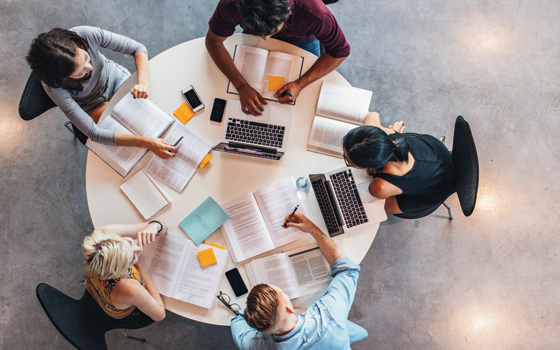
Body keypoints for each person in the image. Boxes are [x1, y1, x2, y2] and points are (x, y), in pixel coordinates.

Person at [25, 26, 176, 159]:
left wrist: (142, 83)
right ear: (62, 79)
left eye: (86, 57)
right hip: (90, 105)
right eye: (80, 73)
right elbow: (94, 133)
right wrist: (146, 143)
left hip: (116, 79)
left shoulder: (85, 34)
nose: (89, 68)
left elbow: (138, 49)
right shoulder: (54, 87)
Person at [230, 213, 368, 349]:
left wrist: (246, 315)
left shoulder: (256, 346)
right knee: (355, 331)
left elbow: (238, 326)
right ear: (289, 308)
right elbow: (348, 270)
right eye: (282, 293)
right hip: (335, 337)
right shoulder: (329, 316)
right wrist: (313, 229)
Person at [206, 0, 351, 115]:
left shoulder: (315, 12)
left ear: (288, 10)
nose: (265, 39)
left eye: (271, 31)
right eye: (261, 33)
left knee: (306, 102)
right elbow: (213, 43)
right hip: (253, 38)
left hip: (303, 40)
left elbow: (340, 51)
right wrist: (241, 85)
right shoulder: (231, 4)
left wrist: (300, 83)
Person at [342, 112, 456, 214]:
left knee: (374, 210)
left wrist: (375, 173)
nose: (343, 156)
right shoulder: (387, 134)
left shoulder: (378, 187)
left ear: (367, 166)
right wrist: (393, 132)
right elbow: (372, 115)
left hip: (439, 189)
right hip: (437, 152)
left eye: (348, 162)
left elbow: (378, 191)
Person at [82, 220, 167, 321]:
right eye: (132, 258)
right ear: (121, 271)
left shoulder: (103, 235)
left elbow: (162, 226)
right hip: (119, 309)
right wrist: (140, 264)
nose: (139, 249)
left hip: (93, 285)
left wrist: (154, 226)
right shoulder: (131, 288)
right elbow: (160, 315)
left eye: (129, 242)